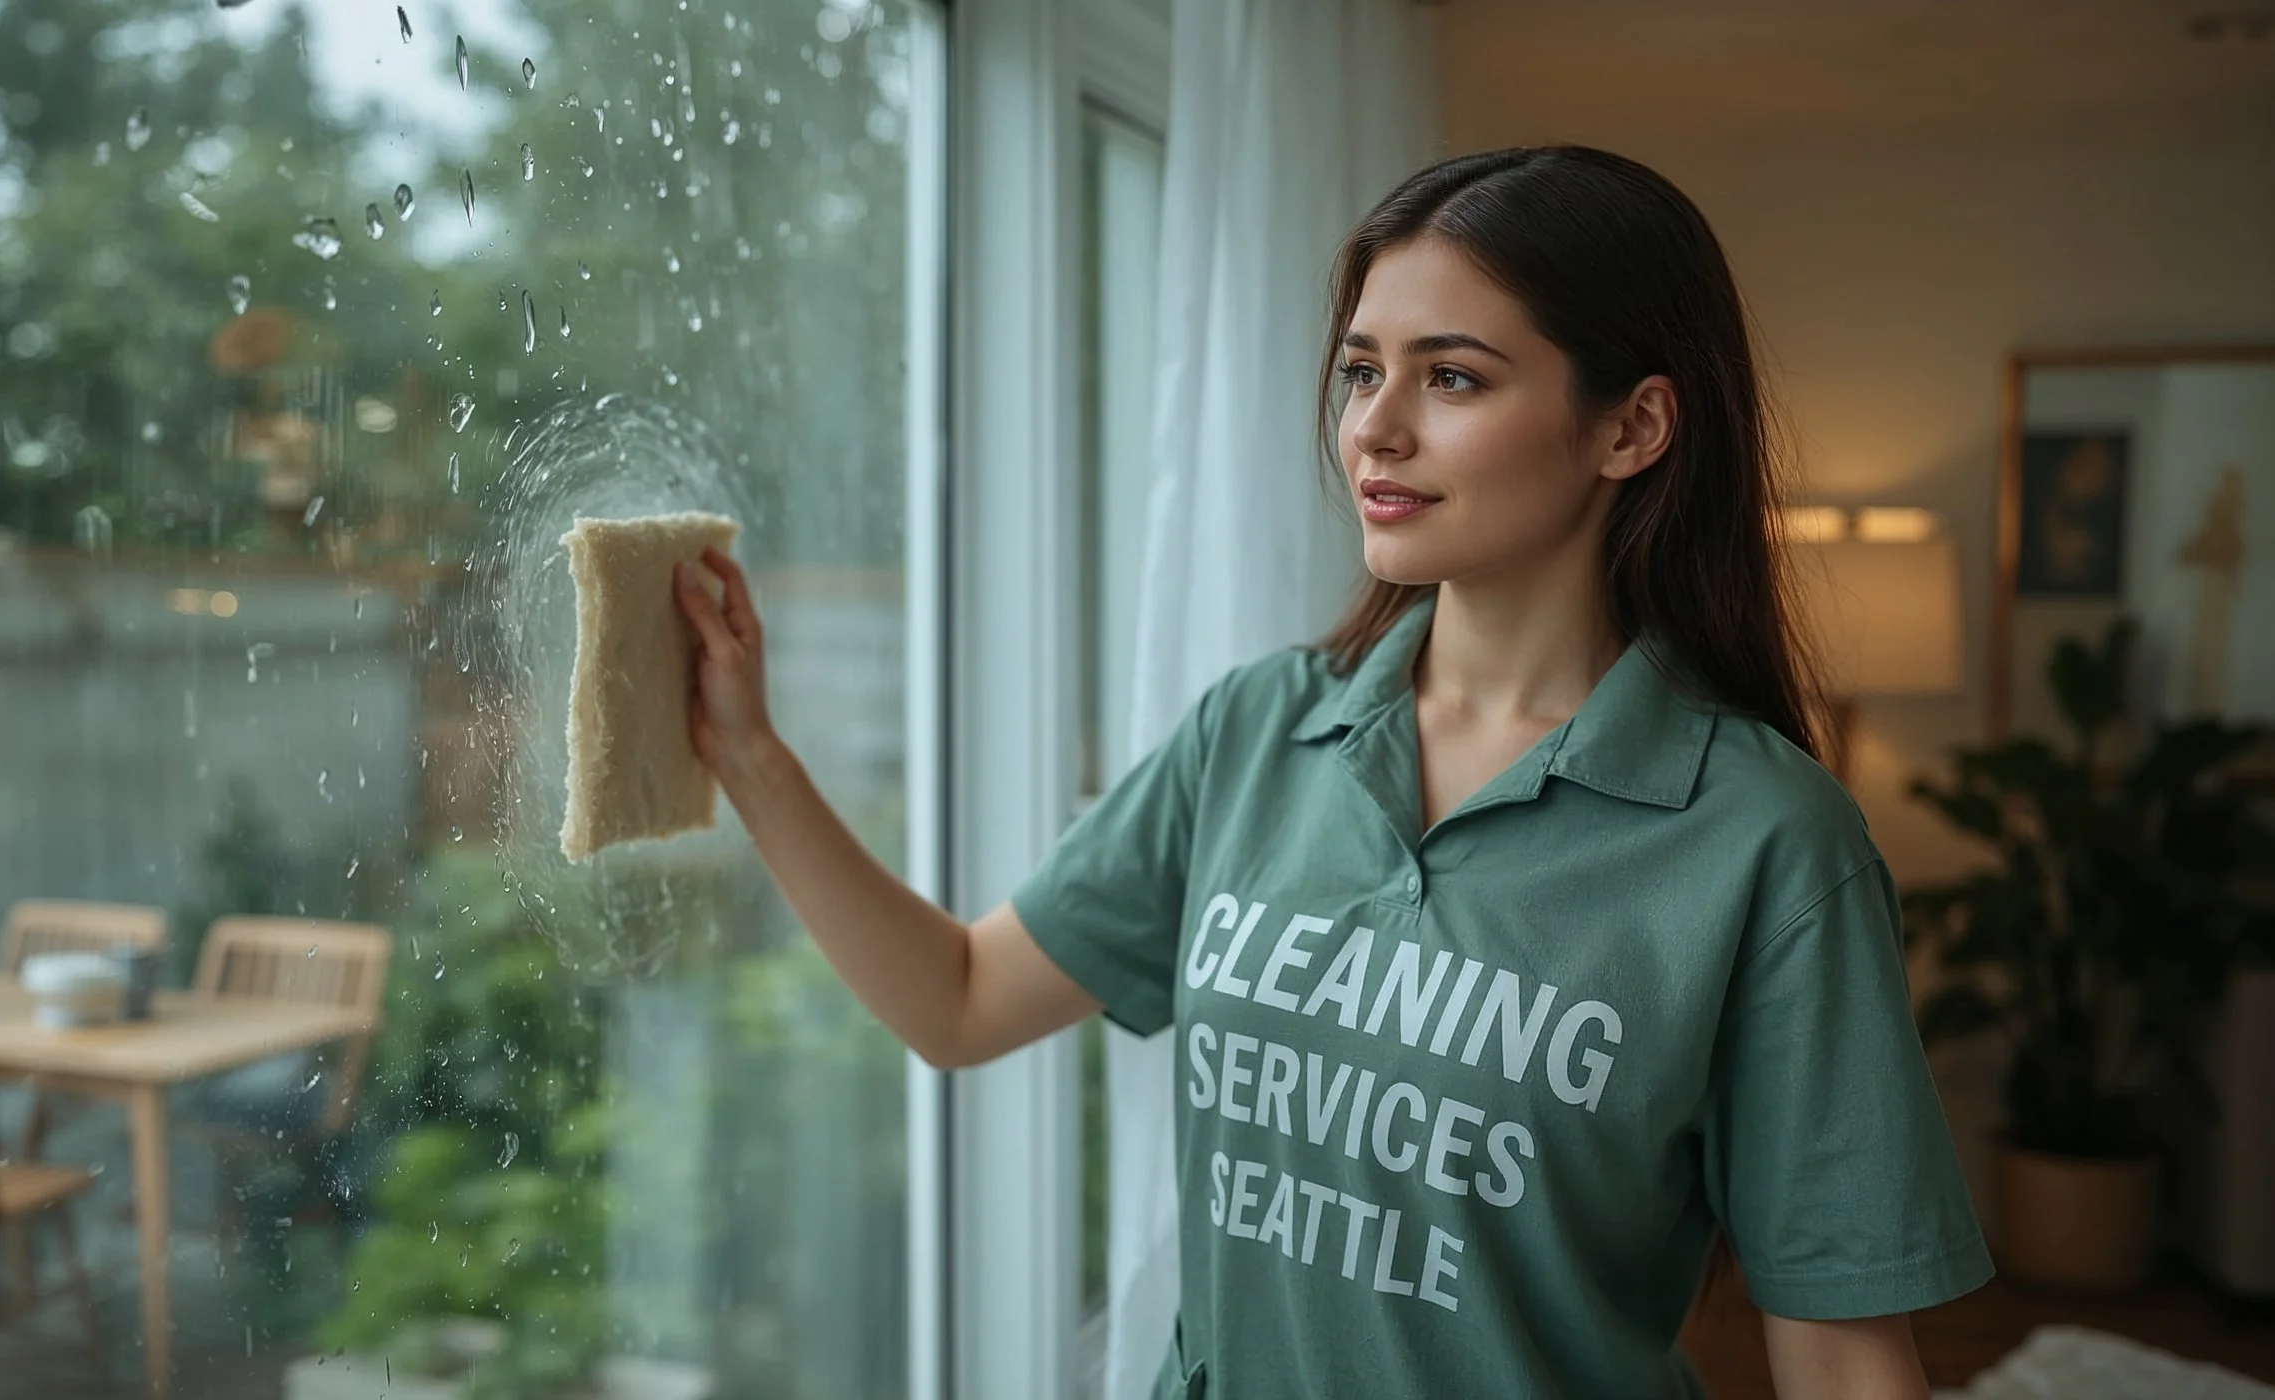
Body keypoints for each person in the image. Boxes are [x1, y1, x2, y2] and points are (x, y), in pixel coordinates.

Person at [672, 145, 1990, 1399]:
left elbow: (1843, 1357)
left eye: (1454, 378)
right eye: (1363, 371)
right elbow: (955, 1001)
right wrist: (748, 753)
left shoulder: (1765, 843)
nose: (1376, 429)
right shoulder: (1256, 735)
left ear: (1633, 427)